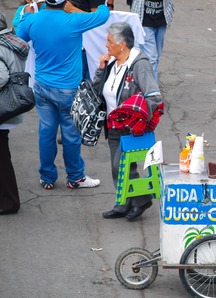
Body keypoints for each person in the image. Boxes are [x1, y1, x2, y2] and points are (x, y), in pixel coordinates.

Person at [16, 0, 110, 190]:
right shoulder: (74, 20)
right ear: (64, 3)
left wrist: (26, 13)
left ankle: (47, 177)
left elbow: (19, 35)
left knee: (46, 132)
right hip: (68, 89)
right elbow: (103, 15)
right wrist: (103, 3)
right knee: (71, 135)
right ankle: (75, 177)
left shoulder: (33, 20)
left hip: (41, 86)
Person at [93, 22, 163, 221]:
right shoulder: (112, 63)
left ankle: (141, 200)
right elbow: (98, 90)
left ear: (122, 44)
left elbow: (154, 96)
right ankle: (123, 203)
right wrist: (100, 68)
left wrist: (135, 115)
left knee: (120, 166)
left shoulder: (139, 65)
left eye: (109, 41)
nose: (106, 45)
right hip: (112, 125)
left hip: (130, 127)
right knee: (119, 168)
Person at [0, 11, 29, 215]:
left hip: (3, 106)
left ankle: (9, 202)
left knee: (2, 159)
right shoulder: (12, 42)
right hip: (10, 109)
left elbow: (1, 78)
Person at [128, 0, 175, 84]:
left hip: (162, 19)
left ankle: (143, 81)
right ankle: (153, 90)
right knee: (152, 58)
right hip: (144, 20)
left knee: (156, 56)